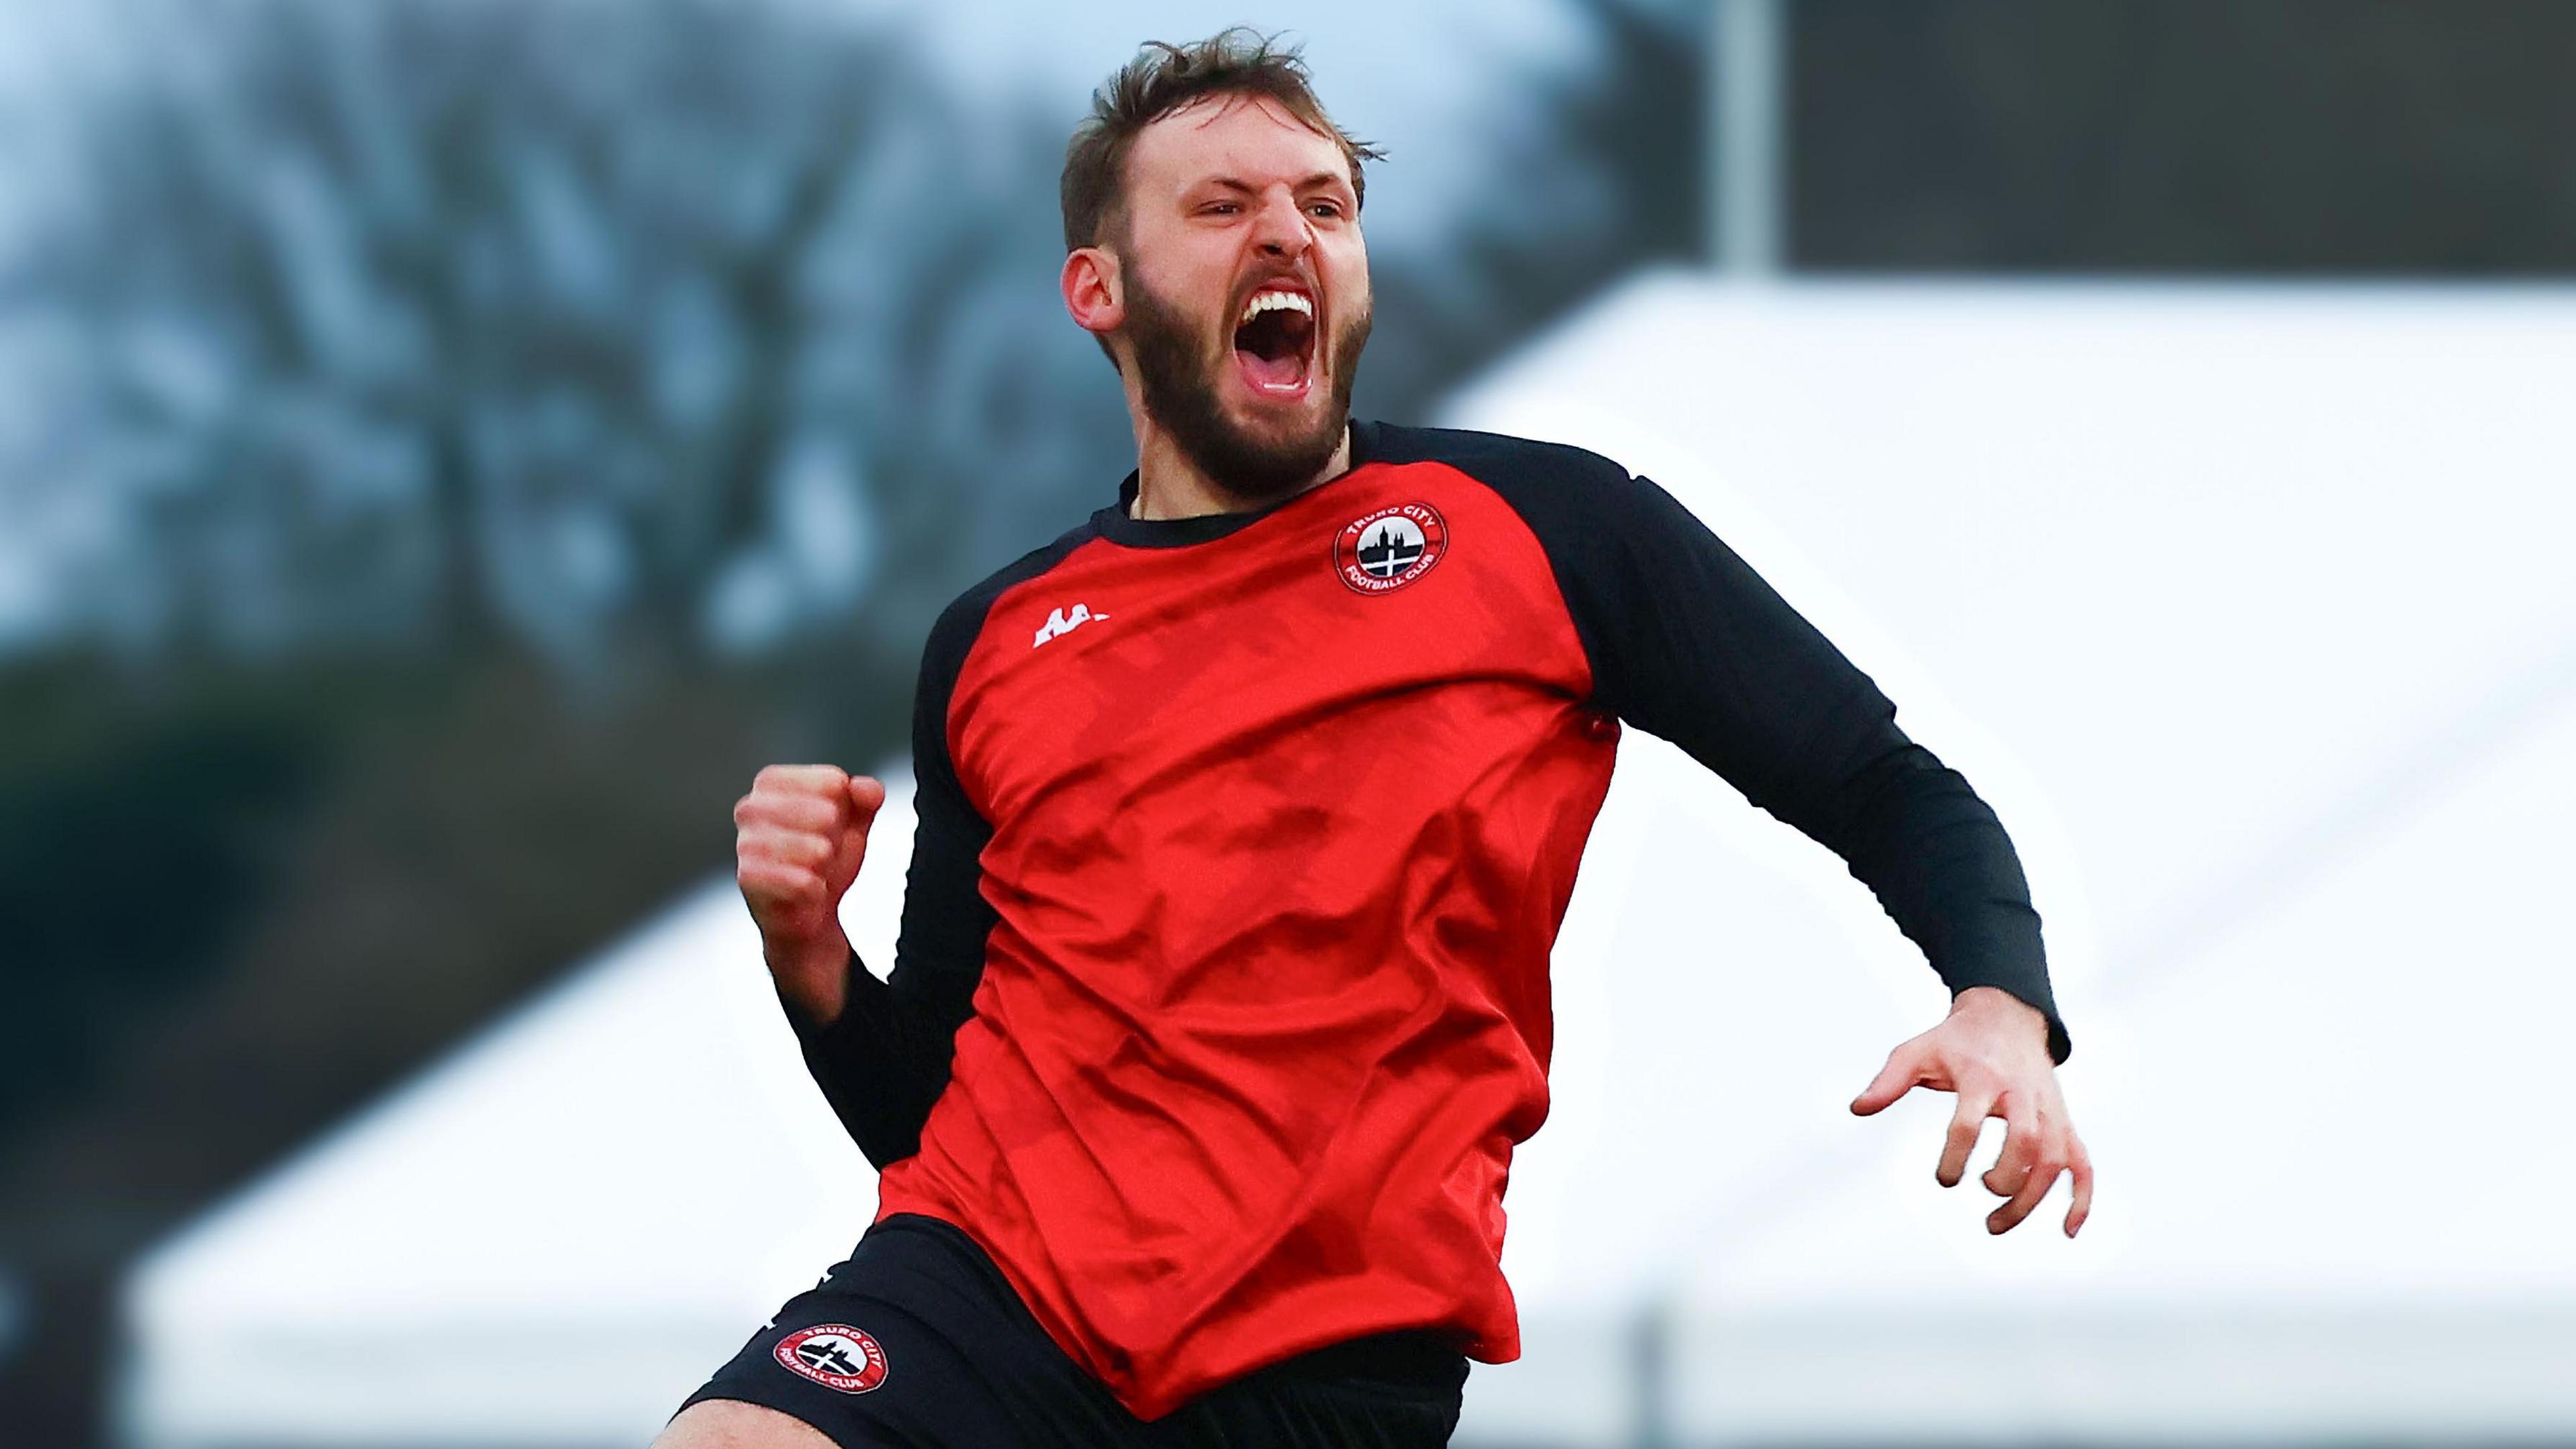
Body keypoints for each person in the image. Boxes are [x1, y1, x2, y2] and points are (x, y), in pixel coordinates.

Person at [659, 28, 2091, 1449]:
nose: (1285, 233)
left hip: (1326, 1360)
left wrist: (1999, 1000)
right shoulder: (995, 642)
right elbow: (933, 1121)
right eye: (1222, 207)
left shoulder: (1556, 533)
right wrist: (811, 954)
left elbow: (1887, 785)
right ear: (1098, 289)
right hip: (989, 1297)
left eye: (1324, 207)